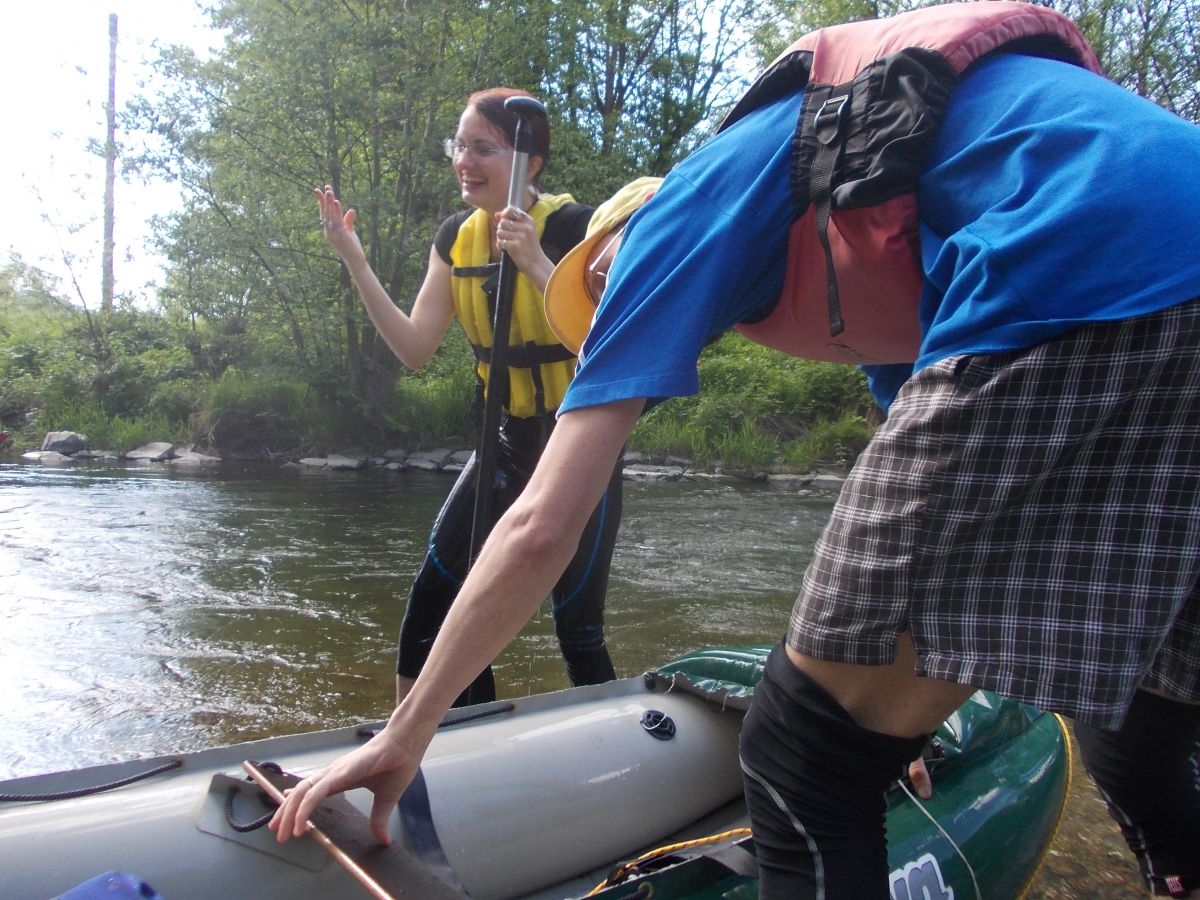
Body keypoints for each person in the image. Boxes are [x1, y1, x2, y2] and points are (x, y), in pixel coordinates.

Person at [275, 4, 1200, 896]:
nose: (607, 322)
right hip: (1146, 240)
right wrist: (900, 712)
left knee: (807, 751)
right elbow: (926, 533)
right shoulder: (862, 259)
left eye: (596, 299)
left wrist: (404, 736)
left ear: (608, 254)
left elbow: (539, 526)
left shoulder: (661, 230)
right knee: (1156, 694)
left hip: (1083, 257)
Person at [314, 86, 623, 708]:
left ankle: (620, 746)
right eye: (460, 146)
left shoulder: (578, 228)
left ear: (529, 162)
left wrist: (538, 263)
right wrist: (355, 260)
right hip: (501, 444)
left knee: (576, 626)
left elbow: (616, 344)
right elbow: (413, 347)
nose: (463, 160)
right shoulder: (455, 237)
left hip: (580, 450)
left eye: (482, 147)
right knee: (431, 608)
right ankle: (422, 748)